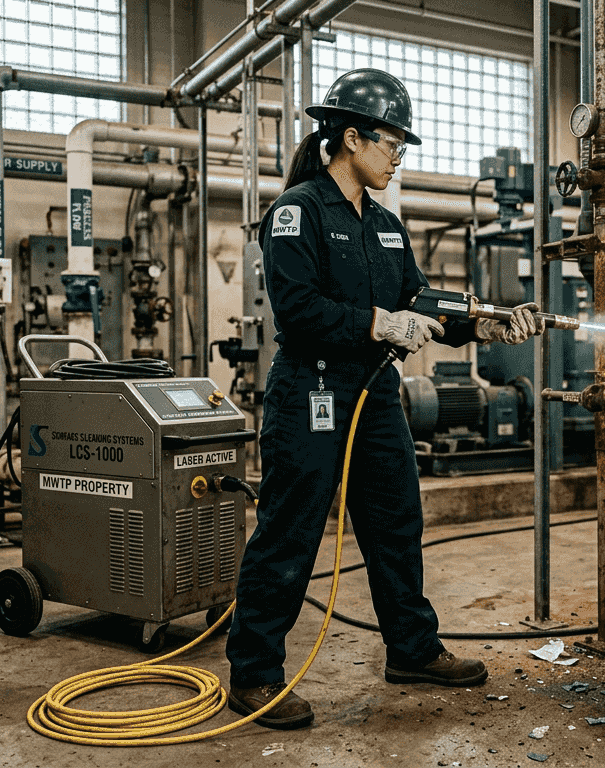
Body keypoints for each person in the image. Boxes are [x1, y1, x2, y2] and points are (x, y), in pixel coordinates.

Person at [225, 68, 544, 729]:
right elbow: (298, 308)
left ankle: (411, 648)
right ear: (350, 138)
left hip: (375, 393)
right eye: (392, 143)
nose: (399, 156)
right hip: (312, 388)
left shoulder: (387, 226)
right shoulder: (297, 212)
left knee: (396, 523)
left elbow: (420, 300)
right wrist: (376, 322)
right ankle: (254, 674)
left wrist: (487, 319)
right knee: (290, 533)